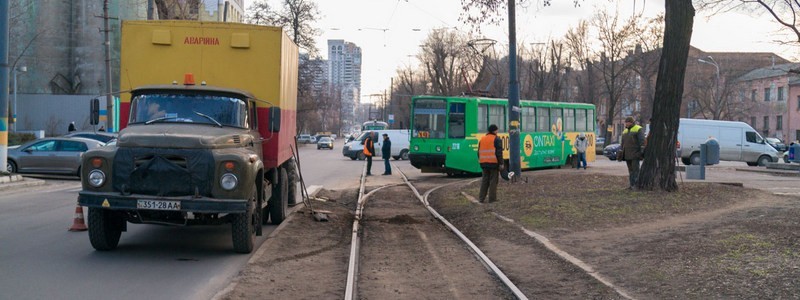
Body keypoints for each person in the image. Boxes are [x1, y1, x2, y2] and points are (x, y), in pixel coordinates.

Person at [478, 124, 503, 203]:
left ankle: (481, 198)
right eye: (497, 130)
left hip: (483, 163)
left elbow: (478, 152)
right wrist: (501, 163)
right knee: (493, 181)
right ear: (494, 131)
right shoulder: (496, 139)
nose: (497, 132)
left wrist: (482, 160)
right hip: (493, 163)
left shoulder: (482, 139)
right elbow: (499, 153)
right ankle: (492, 199)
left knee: (484, 181)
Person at [618, 116, 645, 190]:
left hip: (635, 154)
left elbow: (642, 141)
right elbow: (622, 143)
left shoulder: (638, 129)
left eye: (627, 122)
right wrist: (621, 151)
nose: (626, 124)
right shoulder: (625, 131)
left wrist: (642, 151)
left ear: (631, 122)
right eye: (625, 122)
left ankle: (636, 185)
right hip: (627, 154)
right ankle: (631, 185)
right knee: (631, 171)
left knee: (636, 171)